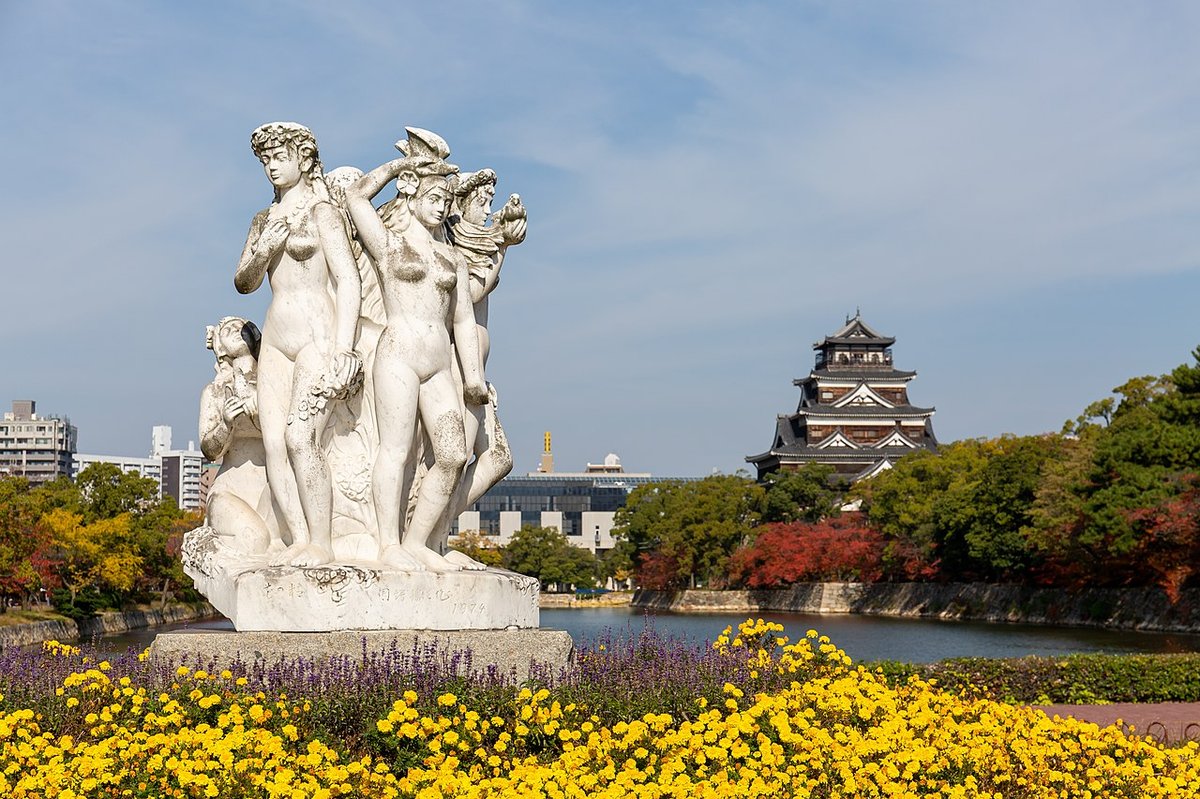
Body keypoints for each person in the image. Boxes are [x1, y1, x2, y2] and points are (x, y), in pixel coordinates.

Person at [345, 128, 487, 571]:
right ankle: (388, 545)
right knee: (396, 449)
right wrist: (397, 169)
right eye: (434, 195)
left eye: (446, 198)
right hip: (399, 354)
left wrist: (473, 376)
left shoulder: (453, 259)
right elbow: (354, 200)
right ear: (414, 194)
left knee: (452, 454)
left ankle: (418, 542)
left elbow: (463, 319)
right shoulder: (390, 245)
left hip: (438, 361)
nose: (442, 203)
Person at [233, 122, 362, 567]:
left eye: (279, 156)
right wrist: (265, 246)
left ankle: (322, 543)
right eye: (265, 159)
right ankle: (299, 540)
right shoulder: (263, 219)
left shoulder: (323, 213)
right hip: (277, 337)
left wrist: (345, 348)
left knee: (299, 437)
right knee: (273, 443)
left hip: (317, 335)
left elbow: (348, 280)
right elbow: (243, 283)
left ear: (303, 159)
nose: (271, 165)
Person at [198, 317, 274, 554]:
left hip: (272, 487)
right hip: (230, 490)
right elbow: (210, 450)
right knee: (255, 539)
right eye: (229, 328)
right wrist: (226, 425)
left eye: (241, 325)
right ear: (220, 347)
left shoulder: (272, 385)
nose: (237, 328)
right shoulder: (215, 392)